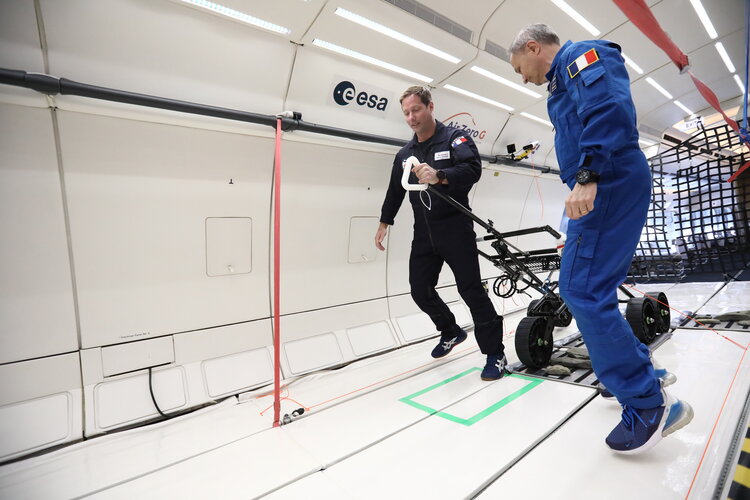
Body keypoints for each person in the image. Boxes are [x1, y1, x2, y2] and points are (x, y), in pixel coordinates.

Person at [508, 24, 693, 454]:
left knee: (580, 289)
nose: (523, 78)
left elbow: (608, 106)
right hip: (604, 183)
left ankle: (649, 402)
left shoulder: (581, 57)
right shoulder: (561, 82)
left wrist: (588, 174)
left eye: (520, 67)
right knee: (592, 290)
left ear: (534, 47)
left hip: (607, 179)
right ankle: (641, 370)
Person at [374, 86, 506, 380]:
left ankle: (495, 353)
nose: (411, 117)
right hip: (424, 234)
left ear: (430, 107)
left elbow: (473, 169)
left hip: (455, 230)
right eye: (406, 113)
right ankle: (451, 330)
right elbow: (395, 190)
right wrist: (385, 222)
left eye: (416, 110)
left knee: (470, 291)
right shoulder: (405, 154)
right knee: (420, 290)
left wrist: (441, 175)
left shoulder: (455, 139)